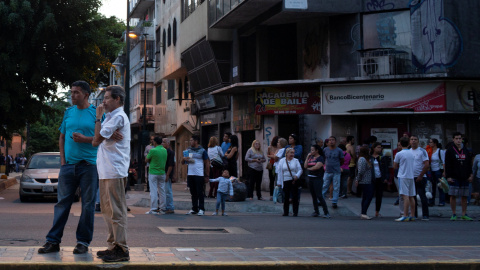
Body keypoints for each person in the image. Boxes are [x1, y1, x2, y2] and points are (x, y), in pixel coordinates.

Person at [38, 81, 101, 255]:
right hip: (68, 167)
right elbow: (62, 137)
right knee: (61, 204)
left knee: (87, 205)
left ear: (86, 95)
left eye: (76, 93)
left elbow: (101, 137)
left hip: (90, 166)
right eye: (71, 92)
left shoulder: (96, 113)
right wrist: (63, 162)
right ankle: (53, 241)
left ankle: (82, 242)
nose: (72, 95)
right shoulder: (68, 112)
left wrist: (85, 139)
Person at [92, 85, 131, 262]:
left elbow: (96, 140)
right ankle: (112, 245)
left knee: (117, 211)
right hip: (105, 170)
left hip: (115, 170)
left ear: (117, 99)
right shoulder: (111, 117)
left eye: (107, 98)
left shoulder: (118, 116)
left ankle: (122, 249)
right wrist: (104, 129)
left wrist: (97, 119)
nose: (103, 101)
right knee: (107, 211)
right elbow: (100, 137)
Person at [445, 132, 474, 221]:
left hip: (464, 176)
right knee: (453, 195)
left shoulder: (466, 150)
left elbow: (469, 164)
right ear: (453, 139)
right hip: (454, 176)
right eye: (456, 138)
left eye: (460, 138)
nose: (458, 140)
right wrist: (448, 176)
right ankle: (454, 213)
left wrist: (471, 174)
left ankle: (464, 213)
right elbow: (447, 164)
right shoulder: (450, 150)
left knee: (464, 196)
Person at [182, 135, 210, 216]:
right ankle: (194, 208)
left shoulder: (202, 151)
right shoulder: (188, 150)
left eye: (191, 140)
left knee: (200, 192)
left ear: (196, 141)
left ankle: (201, 208)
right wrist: (184, 159)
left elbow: (207, 163)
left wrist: (207, 175)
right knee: (193, 192)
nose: (190, 142)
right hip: (190, 174)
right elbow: (182, 162)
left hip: (199, 174)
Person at [394, 137, 416, 222]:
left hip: (403, 175)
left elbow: (395, 165)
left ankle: (405, 214)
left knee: (404, 196)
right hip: (411, 175)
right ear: (409, 144)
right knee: (411, 196)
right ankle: (412, 215)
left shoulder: (399, 154)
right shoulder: (411, 153)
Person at [304, 144, 329, 218]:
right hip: (311, 178)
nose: (311, 151)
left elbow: (317, 167)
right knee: (313, 196)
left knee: (319, 195)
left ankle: (326, 212)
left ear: (317, 150)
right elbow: (305, 165)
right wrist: (307, 157)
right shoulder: (311, 157)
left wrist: (309, 169)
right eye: (311, 150)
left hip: (317, 178)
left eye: (312, 150)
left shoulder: (320, 158)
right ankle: (316, 211)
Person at [276, 148, 303, 216]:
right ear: (287, 153)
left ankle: (295, 212)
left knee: (295, 196)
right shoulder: (282, 161)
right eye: (291, 153)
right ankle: (286, 212)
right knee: (286, 196)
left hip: (294, 180)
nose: (292, 154)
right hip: (285, 180)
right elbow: (279, 172)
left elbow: (300, 170)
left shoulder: (296, 161)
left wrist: (297, 175)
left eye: (293, 153)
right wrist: (279, 182)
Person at [145, 136, 168, 215]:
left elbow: (146, 160)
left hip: (153, 172)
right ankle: (163, 208)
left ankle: (154, 209)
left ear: (155, 142)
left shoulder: (153, 150)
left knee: (153, 191)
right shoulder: (165, 150)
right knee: (162, 191)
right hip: (162, 172)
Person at [410, 135, 430, 221]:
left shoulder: (422, 151)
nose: (413, 141)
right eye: (412, 139)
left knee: (422, 196)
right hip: (411, 177)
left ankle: (425, 215)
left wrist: (421, 175)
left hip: (421, 177)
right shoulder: (408, 151)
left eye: (415, 139)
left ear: (418, 141)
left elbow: (426, 164)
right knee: (412, 197)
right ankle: (414, 214)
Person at [322, 136, 344, 209]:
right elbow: (323, 158)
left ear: (335, 141)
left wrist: (338, 166)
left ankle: (334, 202)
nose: (331, 141)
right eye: (330, 140)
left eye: (333, 140)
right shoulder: (325, 149)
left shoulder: (339, 150)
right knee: (325, 185)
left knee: (336, 187)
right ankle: (321, 200)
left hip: (336, 171)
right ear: (328, 142)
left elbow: (342, 160)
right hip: (327, 171)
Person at [370, 142, 390, 218]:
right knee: (369, 195)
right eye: (378, 147)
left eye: (380, 147)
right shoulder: (370, 157)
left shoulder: (382, 157)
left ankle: (377, 211)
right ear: (374, 148)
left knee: (379, 195)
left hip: (380, 178)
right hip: (372, 178)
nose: (380, 149)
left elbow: (386, 169)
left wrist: (386, 178)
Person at [428, 138, 446, 206]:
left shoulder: (440, 151)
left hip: (438, 170)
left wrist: (444, 171)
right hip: (431, 170)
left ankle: (442, 201)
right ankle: (431, 201)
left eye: (431, 142)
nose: (430, 144)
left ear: (435, 143)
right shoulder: (429, 151)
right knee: (432, 187)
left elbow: (443, 161)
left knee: (440, 186)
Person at [162, 138, 176, 214]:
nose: (162, 144)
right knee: (164, 191)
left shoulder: (170, 152)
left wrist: (168, 175)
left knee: (168, 191)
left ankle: (170, 207)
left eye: (164, 142)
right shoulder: (164, 151)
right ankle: (165, 206)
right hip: (163, 173)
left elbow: (171, 165)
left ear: (168, 143)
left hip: (167, 173)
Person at [266, 136, 279, 201]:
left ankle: (278, 194)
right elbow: (268, 155)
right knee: (272, 180)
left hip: (278, 164)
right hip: (272, 164)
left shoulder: (280, 148)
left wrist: (274, 156)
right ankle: (271, 194)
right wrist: (274, 156)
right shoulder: (270, 147)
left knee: (278, 180)